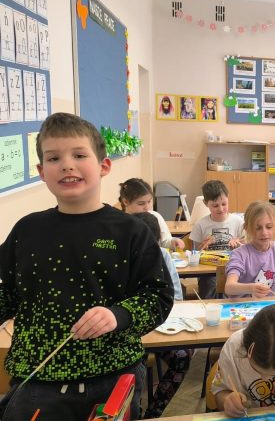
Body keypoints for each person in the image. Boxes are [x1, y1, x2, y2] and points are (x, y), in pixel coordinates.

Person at [0, 113, 174, 421]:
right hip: (38, 382)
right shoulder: (27, 231)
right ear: (41, 171)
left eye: (79, 155)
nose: (67, 165)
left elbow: (158, 296)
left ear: (104, 166)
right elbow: (7, 295)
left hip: (114, 379)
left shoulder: (130, 232)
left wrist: (118, 315)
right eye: (54, 158)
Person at [132, 212, 192, 418]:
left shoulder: (164, 257)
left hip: (161, 326)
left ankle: (153, 413)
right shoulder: (122, 260)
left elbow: (177, 296)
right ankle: (135, 410)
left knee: (182, 356)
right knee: (134, 363)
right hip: (133, 332)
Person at [189, 180, 245, 298]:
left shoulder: (238, 222)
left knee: (235, 287)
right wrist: (202, 246)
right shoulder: (201, 225)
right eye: (215, 206)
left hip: (233, 267)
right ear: (205, 203)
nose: (221, 209)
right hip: (208, 271)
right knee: (210, 286)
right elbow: (193, 253)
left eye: (224, 204)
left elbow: (248, 248)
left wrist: (239, 243)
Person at [119, 177, 185, 251]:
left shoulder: (155, 216)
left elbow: (164, 241)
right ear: (126, 202)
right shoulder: (120, 222)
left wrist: (173, 242)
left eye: (149, 201)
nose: (147, 207)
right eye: (141, 203)